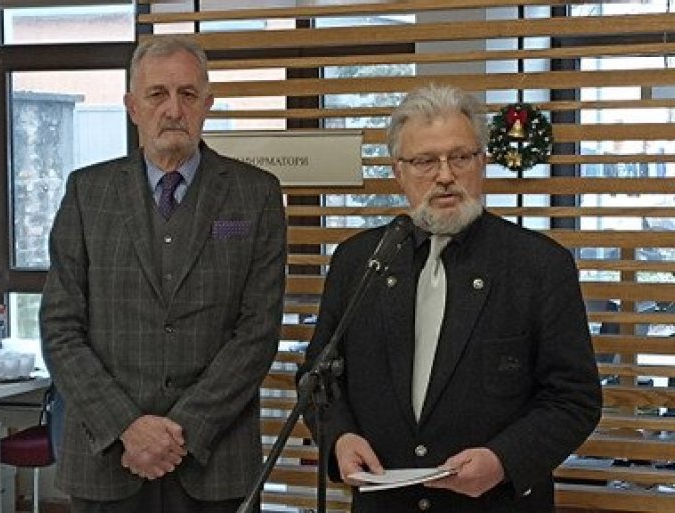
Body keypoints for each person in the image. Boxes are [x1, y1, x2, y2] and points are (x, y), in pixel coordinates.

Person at [297, 84, 601, 513]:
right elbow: (318, 379)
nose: (444, 175)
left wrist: (503, 461)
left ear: (482, 163)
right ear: (398, 172)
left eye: (460, 157)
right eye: (425, 161)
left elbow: (574, 399)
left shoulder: (539, 265)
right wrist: (340, 438)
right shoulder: (358, 261)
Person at [40, 36, 286, 513]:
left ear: (207, 105)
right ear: (133, 106)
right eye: (157, 94)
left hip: (215, 463)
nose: (174, 109)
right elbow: (60, 327)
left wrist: (181, 431)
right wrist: (127, 427)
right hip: (108, 459)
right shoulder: (88, 193)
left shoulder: (254, 195)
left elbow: (257, 333)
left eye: (188, 94)